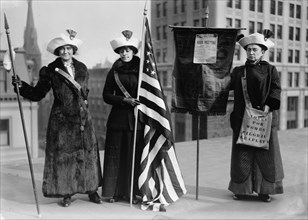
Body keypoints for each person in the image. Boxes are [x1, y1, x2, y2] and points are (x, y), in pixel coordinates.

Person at [11, 30, 103, 207]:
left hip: (83, 119)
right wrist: (21, 86)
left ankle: (92, 189)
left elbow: (85, 92)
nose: (66, 52)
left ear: (73, 49)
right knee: (64, 157)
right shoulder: (50, 70)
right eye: (62, 49)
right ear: (57, 51)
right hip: (62, 119)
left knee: (88, 154)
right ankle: (66, 192)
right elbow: (38, 94)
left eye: (69, 48)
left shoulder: (83, 68)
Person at [228, 30, 284, 202]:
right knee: (242, 154)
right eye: (249, 50)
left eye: (255, 50)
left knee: (265, 155)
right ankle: (241, 189)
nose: (251, 53)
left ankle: (264, 190)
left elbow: (275, 89)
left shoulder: (270, 70)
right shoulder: (238, 72)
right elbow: (225, 86)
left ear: (262, 52)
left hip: (264, 118)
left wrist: (268, 106)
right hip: (242, 118)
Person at [102, 30, 143, 204]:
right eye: (121, 51)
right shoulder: (114, 71)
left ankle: (133, 192)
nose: (124, 53)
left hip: (136, 119)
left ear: (133, 51)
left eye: (127, 50)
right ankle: (115, 192)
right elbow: (106, 95)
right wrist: (124, 100)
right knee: (116, 156)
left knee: (133, 156)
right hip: (118, 119)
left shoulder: (143, 70)